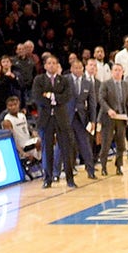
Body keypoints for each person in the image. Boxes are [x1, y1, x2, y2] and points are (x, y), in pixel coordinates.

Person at [31, 54, 76, 188]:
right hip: (46, 119)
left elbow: (67, 96)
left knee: (66, 149)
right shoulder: (39, 80)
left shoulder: (64, 80)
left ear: (57, 66)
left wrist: (52, 96)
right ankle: (48, 179)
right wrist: (53, 100)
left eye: (54, 63)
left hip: (61, 118)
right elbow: (38, 97)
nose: (51, 65)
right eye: (49, 63)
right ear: (45, 66)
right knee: (47, 150)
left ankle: (70, 179)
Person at [98, 62, 128, 175]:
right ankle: (103, 166)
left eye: (119, 70)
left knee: (121, 144)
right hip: (108, 118)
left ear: (123, 72)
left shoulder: (126, 85)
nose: (117, 72)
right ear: (112, 72)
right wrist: (108, 110)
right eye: (115, 70)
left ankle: (119, 166)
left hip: (121, 118)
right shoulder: (105, 84)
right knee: (106, 143)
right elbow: (101, 99)